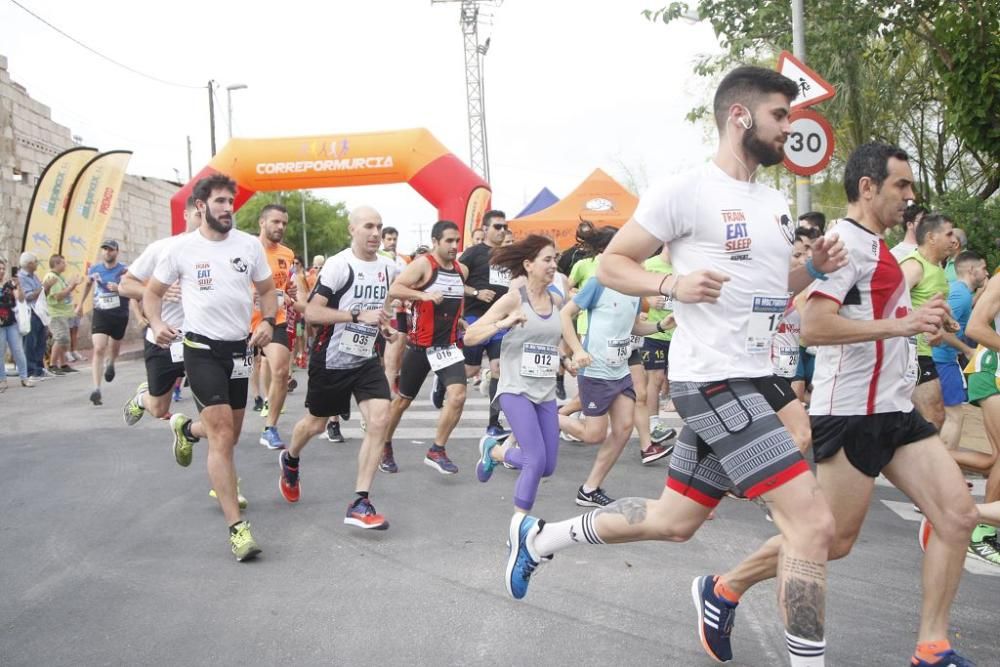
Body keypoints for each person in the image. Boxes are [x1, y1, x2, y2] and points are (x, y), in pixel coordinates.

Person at [503, 66, 848, 667]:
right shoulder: (685, 190)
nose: (788, 129)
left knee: (673, 520)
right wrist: (672, 283)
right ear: (741, 117)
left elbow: (773, 290)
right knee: (814, 523)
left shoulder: (772, 203)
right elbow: (613, 265)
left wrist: (813, 270)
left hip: (759, 376)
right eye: (779, 116)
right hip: (712, 379)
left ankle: (541, 537)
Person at [709, 143, 977, 667]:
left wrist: (927, 324)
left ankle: (931, 646)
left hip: (895, 409)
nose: (910, 197)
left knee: (958, 516)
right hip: (851, 410)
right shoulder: (843, 245)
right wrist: (902, 324)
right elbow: (813, 325)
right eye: (901, 185)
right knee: (830, 542)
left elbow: (880, 320)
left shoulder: (881, 250)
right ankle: (724, 588)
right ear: (868, 187)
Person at [144, 173, 277, 562]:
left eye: (229, 202)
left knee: (230, 435)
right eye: (219, 201)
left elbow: (267, 291)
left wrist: (267, 321)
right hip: (199, 349)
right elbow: (151, 294)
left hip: (240, 350)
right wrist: (155, 323)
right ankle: (238, 529)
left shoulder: (249, 245)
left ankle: (186, 428)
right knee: (221, 436)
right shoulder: (181, 250)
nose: (226, 208)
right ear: (200, 206)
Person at [277, 205, 398, 529]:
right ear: (352, 230)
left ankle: (361, 500)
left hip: (365, 360)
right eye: (369, 226)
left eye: (380, 226)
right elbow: (313, 314)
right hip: (331, 360)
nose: (375, 233)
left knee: (380, 419)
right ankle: (290, 458)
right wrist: (357, 317)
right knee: (315, 425)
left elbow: (382, 309)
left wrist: (384, 325)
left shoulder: (389, 268)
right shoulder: (338, 266)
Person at [467, 235, 563, 516]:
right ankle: (520, 528)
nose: (553, 264)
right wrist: (504, 323)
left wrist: (566, 358)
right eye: (547, 259)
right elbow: (470, 336)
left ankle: (494, 451)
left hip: (544, 390)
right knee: (534, 461)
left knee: (548, 466)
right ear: (528, 264)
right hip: (514, 389)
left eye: (555, 259)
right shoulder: (513, 300)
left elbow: (552, 338)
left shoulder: (556, 301)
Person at [379, 220, 467, 474]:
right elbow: (395, 289)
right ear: (436, 241)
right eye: (448, 241)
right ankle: (385, 444)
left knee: (459, 395)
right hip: (420, 347)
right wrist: (423, 295)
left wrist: (458, 319)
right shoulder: (423, 265)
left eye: (456, 241)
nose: (453, 246)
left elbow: (453, 299)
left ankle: (437, 450)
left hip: (446, 347)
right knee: (402, 402)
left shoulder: (460, 270)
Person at [899, 213, 962, 431]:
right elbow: (888, 306)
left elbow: (928, 302)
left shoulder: (938, 267)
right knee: (934, 415)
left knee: (927, 416)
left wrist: (946, 321)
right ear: (931, 237)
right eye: (949, 233)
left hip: (924, 352)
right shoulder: (914, 266)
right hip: (909, 353)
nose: (954, 239)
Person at [959, 268, 1000, 564]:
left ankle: (918, 454)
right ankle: (983, 532)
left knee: (994, 459)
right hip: (990, 372)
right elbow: (974, 327)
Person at [459, 210, 512, 437]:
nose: (501, 231)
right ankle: (442, 383)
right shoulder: (473, 253)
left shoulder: (511, 256)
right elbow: (453, 282)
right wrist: (476, 292)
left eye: (504, 227)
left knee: (498, 368)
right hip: (476, 319)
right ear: (486, 229)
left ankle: (493, 423)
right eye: (497, 227)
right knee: (471, 369)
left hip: (501, 322)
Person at [250, 204, 297, 450]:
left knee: (280, 369)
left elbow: (285, 284)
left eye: (284, 223)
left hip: (273, 317)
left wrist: (289, 291)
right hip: (240, 321)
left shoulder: (287, 254)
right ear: (262, 222)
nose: (280, 227)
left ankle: (270, 428)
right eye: (276, 222)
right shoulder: (246, 249)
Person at [932, 251, 987, 453]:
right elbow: (940, 328)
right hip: (942, 360)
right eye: (983, 268)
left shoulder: (963, 293)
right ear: (972, 270)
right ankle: (946, 466)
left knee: (942, 415)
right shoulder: (961, 295)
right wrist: (967, 350)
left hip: (943, 359)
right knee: (955, 415)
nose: (986, 273)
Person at [77, 239, 133, 405]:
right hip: (101, 312)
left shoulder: (124, 270)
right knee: (99, 348)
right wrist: (80, 304)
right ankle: (96, 389)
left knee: (114, 346)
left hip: (119, 313)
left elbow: (132, 288)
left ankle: (112, 362)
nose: (107, 252)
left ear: (117, 252)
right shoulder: (95, 269)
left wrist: (119, 289)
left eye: (111, 250)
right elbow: (87, 284)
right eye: (105, 250)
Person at [42, 254, 82, 374]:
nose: (66, 265)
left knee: (64, 339)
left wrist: (73, 285)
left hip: (63, 313)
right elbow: (57, 296)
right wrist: (71, 287)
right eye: (63, 263)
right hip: (56, 313)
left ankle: (63, 364)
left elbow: (65, 291)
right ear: (56, 264)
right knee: (61, 338)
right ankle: (53, 365)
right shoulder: (51, 277)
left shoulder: (59, 277)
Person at [0, 257, 33, 389]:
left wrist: (19, 285)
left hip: (11, 322)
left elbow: (20, 298)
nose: (1, 271)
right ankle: (2, 379)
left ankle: (24, 378)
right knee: (0, 352)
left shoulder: (10, 284)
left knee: (18, 350)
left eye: (3, 269)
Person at [16, 252, 49, 379]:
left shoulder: (34, 276)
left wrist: (46, 288)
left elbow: (41, 294)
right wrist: (43, 287)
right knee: (30, 342)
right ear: (30, 264)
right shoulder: (21, 277)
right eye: (36, 261)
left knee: (41, 341)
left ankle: (39, 368)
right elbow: (29, 296)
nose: (37, 264)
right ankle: (30, 371)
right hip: (30, 313)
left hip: (40, 313)